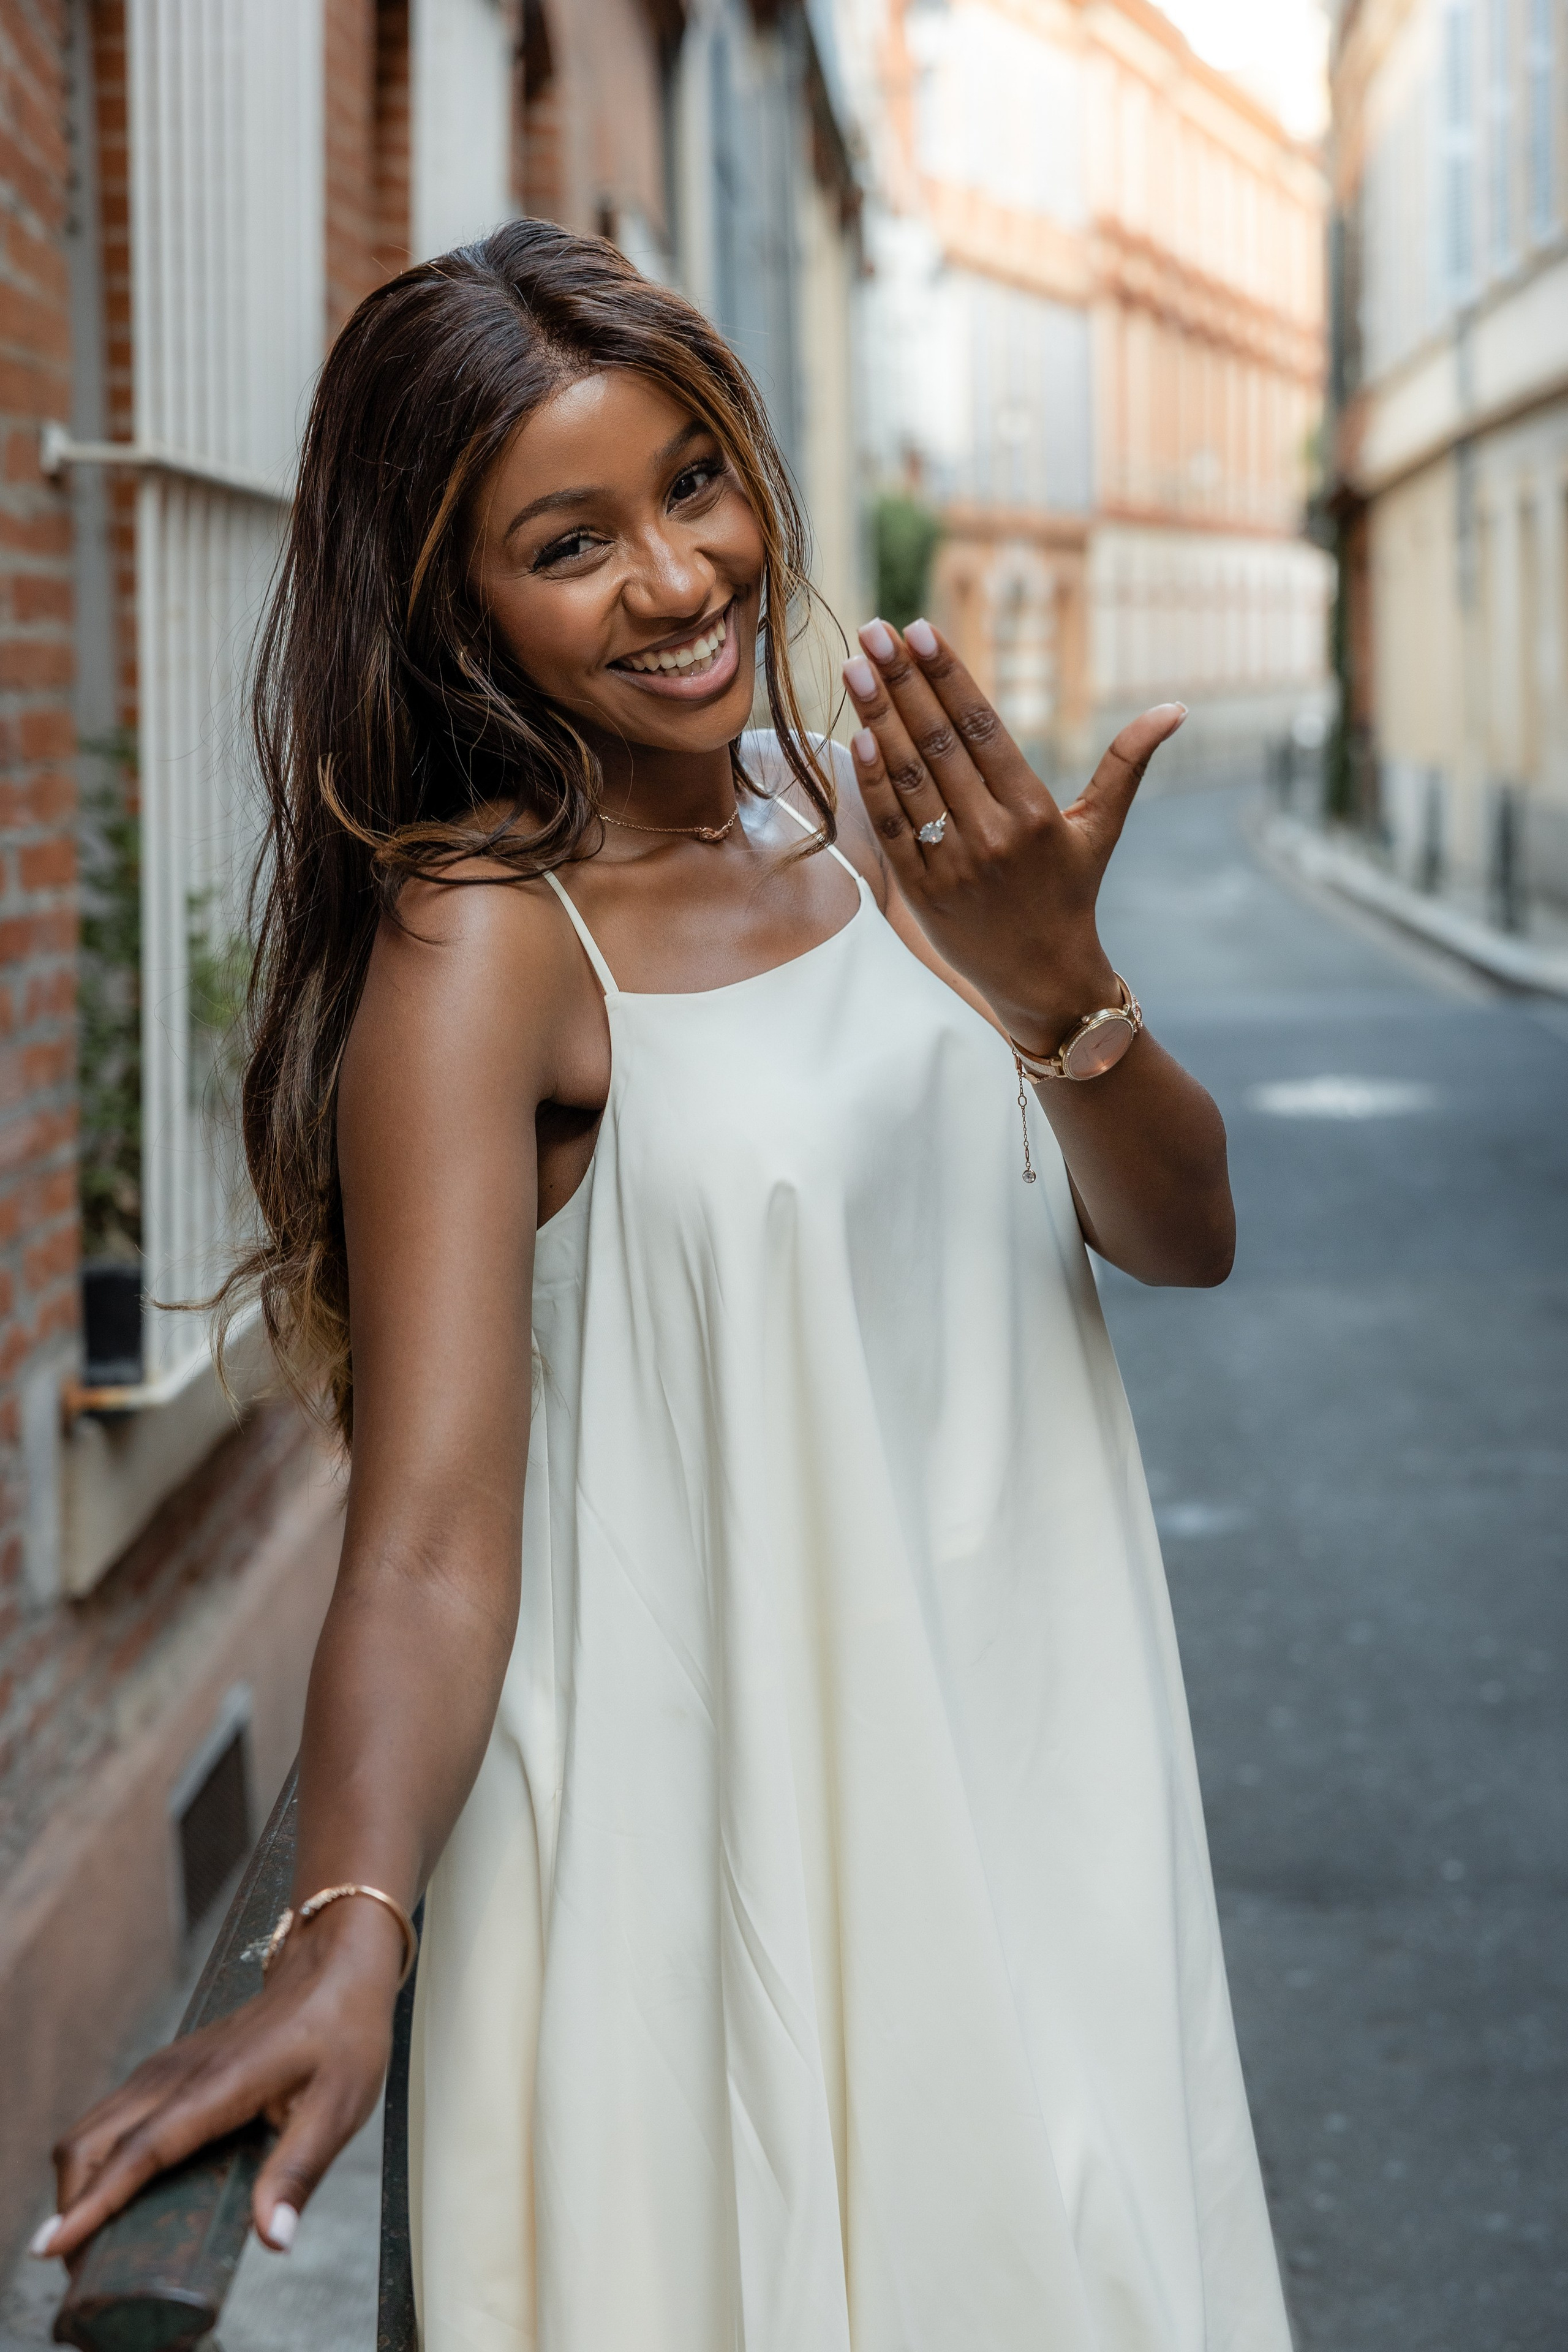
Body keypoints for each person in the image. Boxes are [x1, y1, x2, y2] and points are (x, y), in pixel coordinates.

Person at [41, 221, 1291, 2352]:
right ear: (457, 608)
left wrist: (1058, 981)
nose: (677, 576)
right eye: (570, 543)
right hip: (721, 1860)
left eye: (693, 482)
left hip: (1036, 1782)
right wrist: (345, 1939)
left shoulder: (879, 831)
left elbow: (1188, 1234)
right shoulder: (487, 945)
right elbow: (426, 1545)